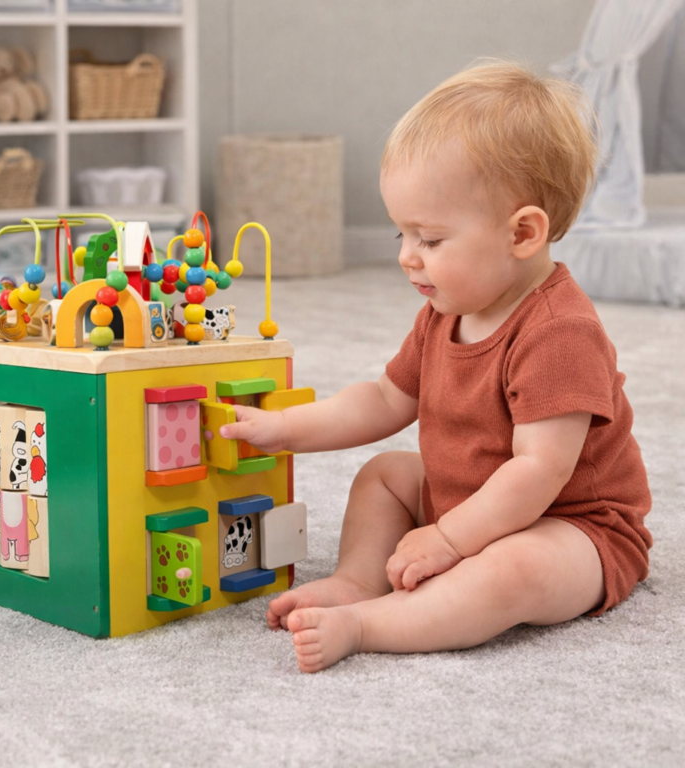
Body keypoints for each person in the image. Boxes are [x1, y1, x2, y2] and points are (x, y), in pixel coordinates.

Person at [219, 61, 653, 673]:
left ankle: (369, 623)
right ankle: (355, 583)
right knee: (384, 475)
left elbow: (538, 471)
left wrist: (450, 540)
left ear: (523, 233)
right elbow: (381, 400)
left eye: (429, 239)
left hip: (572, 525)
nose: (405, 257)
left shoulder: (561, 332)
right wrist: (285, 430)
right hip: (467, 496)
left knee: (511, 570)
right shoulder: (447, 312)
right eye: (401, 234)